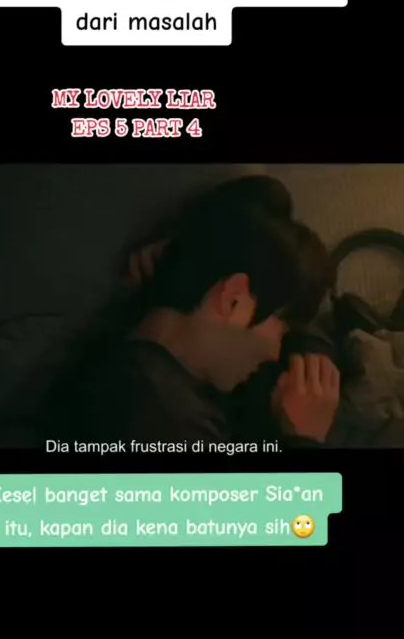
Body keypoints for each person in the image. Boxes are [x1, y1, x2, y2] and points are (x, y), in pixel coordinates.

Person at [47, 176, 340, 447]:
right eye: (281, 328)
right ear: (233, 299)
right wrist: (303, 439)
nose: (275, 353)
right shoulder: (158, 417)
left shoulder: (146, 351)